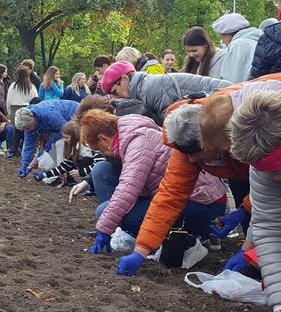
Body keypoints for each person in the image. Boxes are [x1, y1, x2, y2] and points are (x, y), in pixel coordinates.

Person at [114, 74, 281, 277]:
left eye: (197, 154)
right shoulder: (185, 141)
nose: (192, 161)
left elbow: (271, 192)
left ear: (215, 142)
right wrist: (141, 250)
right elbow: (170, 196)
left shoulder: (250, 129)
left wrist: (250, 247)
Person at [78, 109, 226, 256]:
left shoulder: (138, 143)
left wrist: (104, 229)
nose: (102, 153)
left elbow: (127, 189)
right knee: (102, 171)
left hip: (201, 203)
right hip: (188, 196)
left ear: (103, 138)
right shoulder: (129, 135)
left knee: (113, 213)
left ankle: (183, 238)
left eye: (98, 149)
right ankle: (130, 233)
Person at [228, 90, 281, 312]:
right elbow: (269, 227)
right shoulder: (263, 169)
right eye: (267, 171)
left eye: (278, 169)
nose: (275, 179)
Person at [101, 60, 230, 125]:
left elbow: (171, 125)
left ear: (124, 78)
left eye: (115, 91)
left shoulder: (149, 89)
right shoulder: (146, 87)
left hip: (226, 99)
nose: (117, 97)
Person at [14, 99, 79, 177]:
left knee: (59, 143)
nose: (27, 131)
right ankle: (59, 171)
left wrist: (52, 139)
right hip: (61, 125)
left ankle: (64, 174)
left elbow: (65, 129)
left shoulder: (48, 114)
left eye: (28, 128)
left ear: (33, 120)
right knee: (52, 149)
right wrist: (24, 165)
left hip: (74, 115)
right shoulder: (29, 123)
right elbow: (29, 146)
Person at [33, 120, 103, 185]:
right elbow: (65, 166)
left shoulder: (88, 145)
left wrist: (81, 172)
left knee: (84, 161)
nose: (65, 140)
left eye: (67, 137)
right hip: (93, 169)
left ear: (75, 136)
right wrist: (44, 175)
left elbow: (99, 164)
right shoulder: (74, 147)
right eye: (64, 137)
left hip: (101, 169)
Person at [212, 12, 262, 83]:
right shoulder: (256, 40)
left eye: (221, 36)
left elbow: (232, 81)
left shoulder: (238, 45)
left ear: (227, 34)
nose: (222, 42)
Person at [7, 66, 38, 157]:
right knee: (28, 132)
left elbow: (8, 100)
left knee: (16, 132)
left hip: (15, 109)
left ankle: (13, 151)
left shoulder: (13, 86)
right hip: (27, 109)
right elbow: (35, 99)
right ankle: (28, 150)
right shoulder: (31, 87)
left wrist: (10, 113)